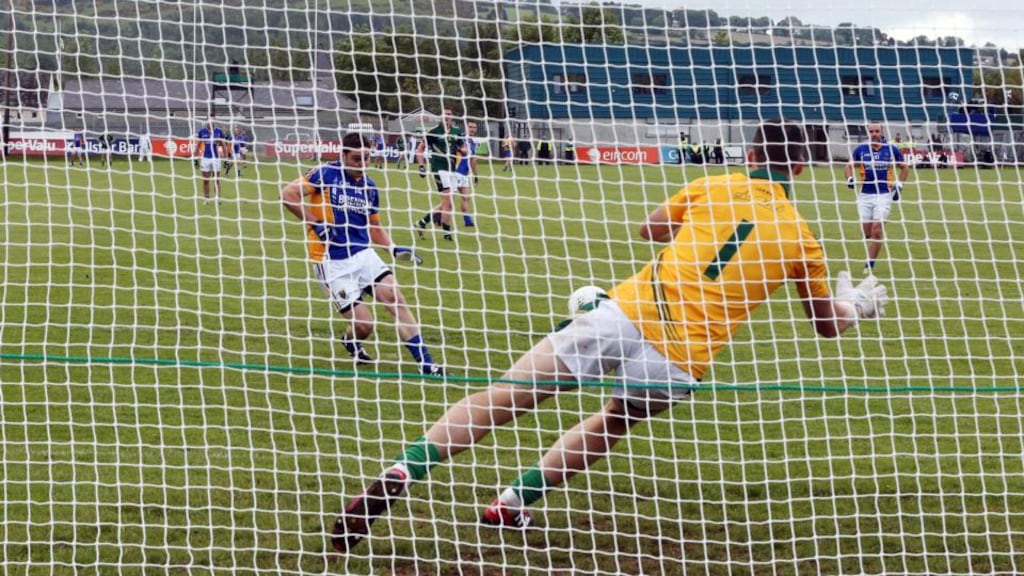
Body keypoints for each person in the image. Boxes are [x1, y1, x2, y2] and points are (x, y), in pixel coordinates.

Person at [330, 119, 891, 553]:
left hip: (623, 314)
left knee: (502, 398)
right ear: (801, 167)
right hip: (680, 360)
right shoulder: (803, 237)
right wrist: (857, 305)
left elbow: (650, 229)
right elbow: (826, 326)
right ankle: (510, 502)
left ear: (750, 155)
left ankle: (404, 468)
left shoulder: (714, 184)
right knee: (609, 424)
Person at [279, 132, 444, 376]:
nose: (362, 164)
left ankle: (426, 364)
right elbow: (287, 195)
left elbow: (374, 226)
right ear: (342, 155)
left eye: (367, 158)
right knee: (365, 325)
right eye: (357, 158)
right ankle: (351, 340)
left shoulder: (369, 186)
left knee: (396, 299)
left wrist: (393, 249)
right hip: (331, 261)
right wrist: (316, 222)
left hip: (364, 254)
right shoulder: (325, 173)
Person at [845, 123, 910, 273]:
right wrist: (850, 179)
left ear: (881, 132)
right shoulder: (861, 150)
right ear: (868, 133)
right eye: (871, 131)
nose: (874, 133)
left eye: (877, 131)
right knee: (866, 233)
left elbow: (905, 167)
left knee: (877, 230)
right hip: (865, 195)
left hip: (884, 195)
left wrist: (899, 184)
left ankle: (869, 265)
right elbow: (848, 166)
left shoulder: (891, 150)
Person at [414, 108, 465, 241]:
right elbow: (420, 149)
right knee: (447, 201)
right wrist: (421, 165)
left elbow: (463, 148)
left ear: (452, 116)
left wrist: (463, 150)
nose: (447, 116)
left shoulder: (457, 132)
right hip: (439, 168)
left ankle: (422, 223)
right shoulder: (433, 132)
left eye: (449, 114)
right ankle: (447, 234)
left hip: (452, 169)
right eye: (444, 114)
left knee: (447, 203)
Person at [195, 115, 227, 203]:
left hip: (216, 158)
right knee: (205, 180)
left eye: (213, 120)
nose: (211, 121)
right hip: (205, 158)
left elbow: (223, 145)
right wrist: (195, 158)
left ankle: (218, 198)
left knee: (216, 180)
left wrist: (226, 158)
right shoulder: (202, 132)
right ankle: (206, 198)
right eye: (209, 120)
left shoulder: (219, 131)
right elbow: (198, 145)